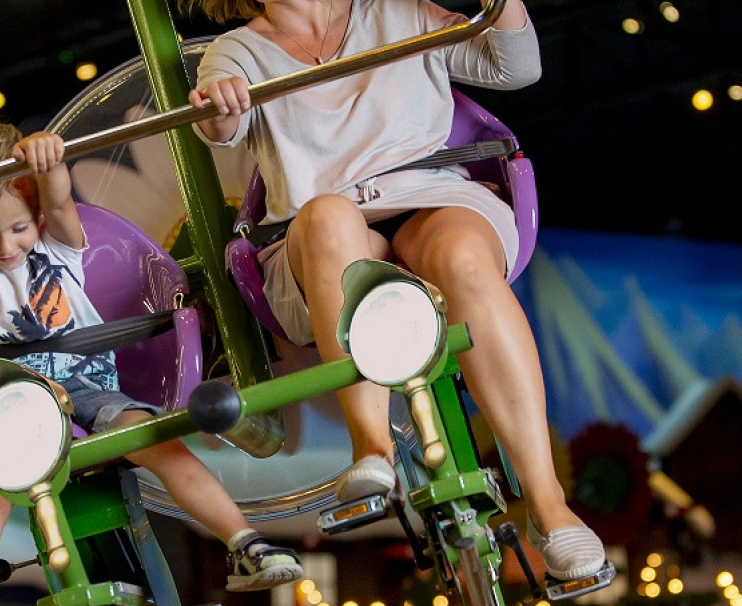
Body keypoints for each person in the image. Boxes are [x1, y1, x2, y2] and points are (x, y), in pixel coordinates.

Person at [182, 0, 610, 587]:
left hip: (429, 192)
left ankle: (548, 504)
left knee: (462, 258)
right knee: (327, 216)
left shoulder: (397, 11)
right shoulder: (237, 52)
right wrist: (221, 107)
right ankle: (373, 448)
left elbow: (515, 69)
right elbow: (219, 127)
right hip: (321, 228)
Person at [0, 118, 305, 605]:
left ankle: (245, 542)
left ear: (33, 210)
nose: (6, 246)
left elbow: (57, 198)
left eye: (16, 228)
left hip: (88, 384)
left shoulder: (56, 241)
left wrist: (49, 161)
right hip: (14, 404)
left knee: (158, 443)